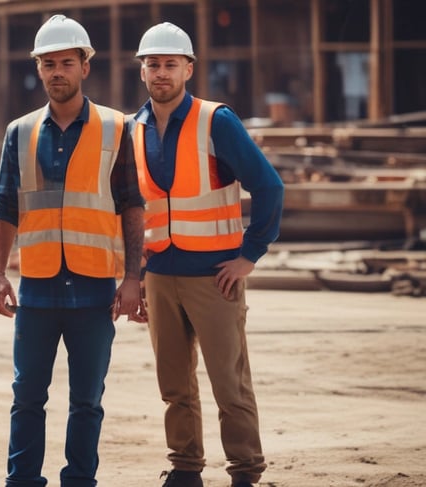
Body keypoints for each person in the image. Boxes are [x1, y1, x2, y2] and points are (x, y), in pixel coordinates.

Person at [0, 14, 146, 487]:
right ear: (38, 69)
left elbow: (131, 206)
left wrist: (133, 277)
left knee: (87, 401)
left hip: (95, 287)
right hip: (36, 289)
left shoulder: (117, 128)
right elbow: (4, 206)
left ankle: (80, 481)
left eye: (66, 63)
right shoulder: (19, 132)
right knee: (27, 397)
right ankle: (23, 481)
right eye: (48, 64)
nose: (57, 72)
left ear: (85, 67)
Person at [129, 22, 285, 487]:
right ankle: (184, 468)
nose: (161, 73)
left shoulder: (216, 121)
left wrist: (249, 255)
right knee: (174, 385)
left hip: (215, 275)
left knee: (229, 384)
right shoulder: (132, 128)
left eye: (170, 65)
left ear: (188, 69)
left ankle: (244, 470)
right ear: (142, 71)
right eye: (153, 65)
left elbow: (270, 187)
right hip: (159, 274)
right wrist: (135, 274)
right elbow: (135, 209)